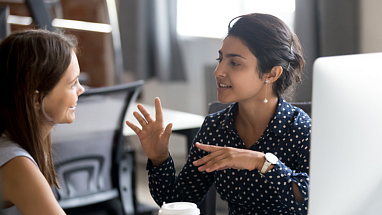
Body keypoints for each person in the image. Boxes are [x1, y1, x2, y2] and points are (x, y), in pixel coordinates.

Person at [126, 13, 310, 215]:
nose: (218, 71)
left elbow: (309, 199)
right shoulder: (216, 128)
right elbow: (179, 201)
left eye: (235, 63)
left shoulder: (300, 128)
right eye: (220, 59)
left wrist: (261, 162)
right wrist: (160, 159)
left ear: (271, 74)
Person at [0, 29, 85, 215]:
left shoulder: (19, 142)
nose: (81, 89)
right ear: (36, 100)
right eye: (73, 83)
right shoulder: (16, 162)